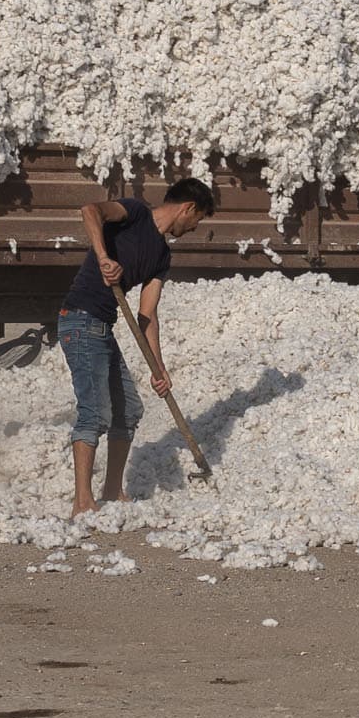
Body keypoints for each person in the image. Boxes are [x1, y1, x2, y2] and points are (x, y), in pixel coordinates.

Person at [60, 179, 214, 516]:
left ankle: (112, 492)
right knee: (94, 412)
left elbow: (147, 314)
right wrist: (103, 257)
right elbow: (90, 211)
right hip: (80, 320)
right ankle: (82, 502)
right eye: (197, 220)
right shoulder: (133, 212)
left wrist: (158, 368)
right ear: (187, 208)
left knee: (128, 410)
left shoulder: (162, 256)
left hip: (102, 327)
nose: (194, 228)